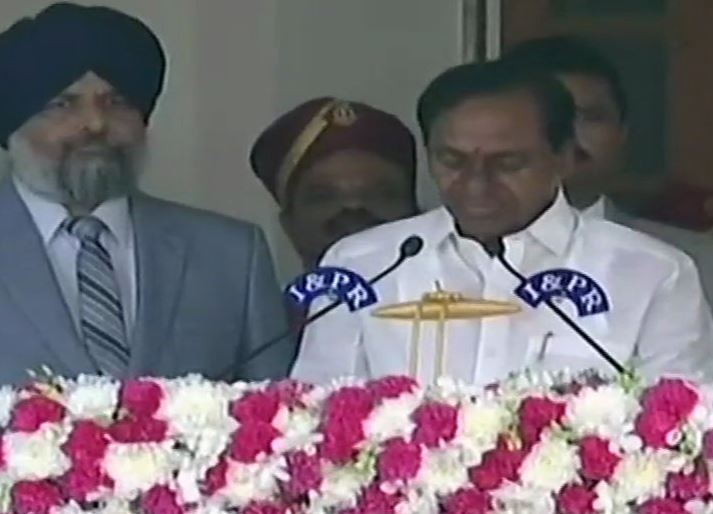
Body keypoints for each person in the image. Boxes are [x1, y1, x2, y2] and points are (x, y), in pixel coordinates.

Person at [291, 59, 713, 385]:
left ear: (566, 156)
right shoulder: (362, 262)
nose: (476, 185)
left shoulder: (652, 273)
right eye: (452, 161)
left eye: (508, 163)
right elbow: (318, 418)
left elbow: (679, 436)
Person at [0, 3, 295, 384]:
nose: (95, 123)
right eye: (63, 105)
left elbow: (272, 416)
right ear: (13, 126)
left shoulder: (232, 255)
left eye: (116, 102)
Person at [504, 35, 713, 305]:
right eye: (548, 118)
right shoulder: (441, 252)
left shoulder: (692, 262)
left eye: (590, 117)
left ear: (622, 133)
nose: (568, 135)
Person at [250, 97, 419, 270]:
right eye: (324, 196)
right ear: (289, 225)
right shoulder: (262, 297)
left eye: (379, 194)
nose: (354, 206)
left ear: (416, 214)